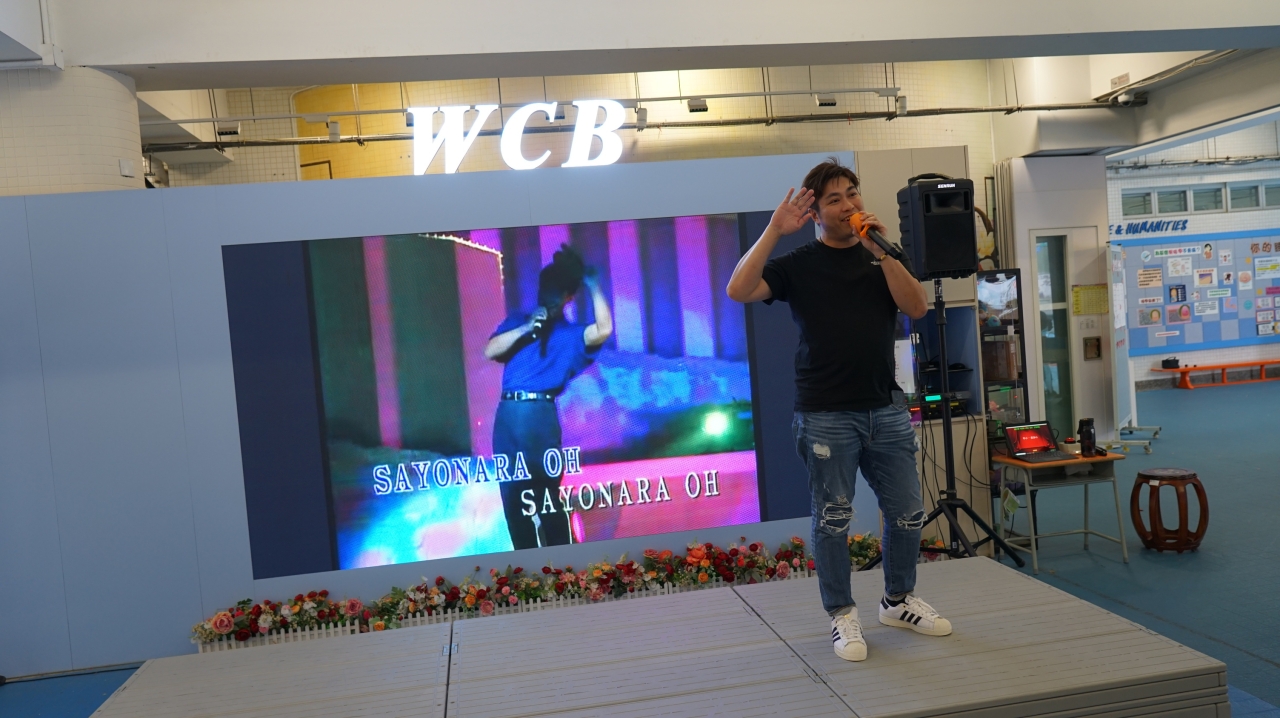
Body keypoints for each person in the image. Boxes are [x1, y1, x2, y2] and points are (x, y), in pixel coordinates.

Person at [725, 158, 952, 663]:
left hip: (886, 408)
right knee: (833, 518)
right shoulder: (800, 263)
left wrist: (882, 252)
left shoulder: (882, 255)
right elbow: (738, 289)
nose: (848, 204)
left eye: (852, 193)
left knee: (908, 513)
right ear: (815, 214)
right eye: (834, 199)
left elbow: (916, 308)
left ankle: (897, 601)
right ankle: (842, 614)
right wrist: (773, 230)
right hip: (825, 414)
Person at [484, 245, 612, 549]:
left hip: (539, 415)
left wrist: (593, 285)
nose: (548, 296)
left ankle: (560, 560)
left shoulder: (571, 335)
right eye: (545, 290)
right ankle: (526, 561)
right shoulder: (519, 322)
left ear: (568, 298)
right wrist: (528, 328)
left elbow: (604, 329)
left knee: (546, 496)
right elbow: (491, 350)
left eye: (556, 292)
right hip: (508, 414)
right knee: (512, 497)